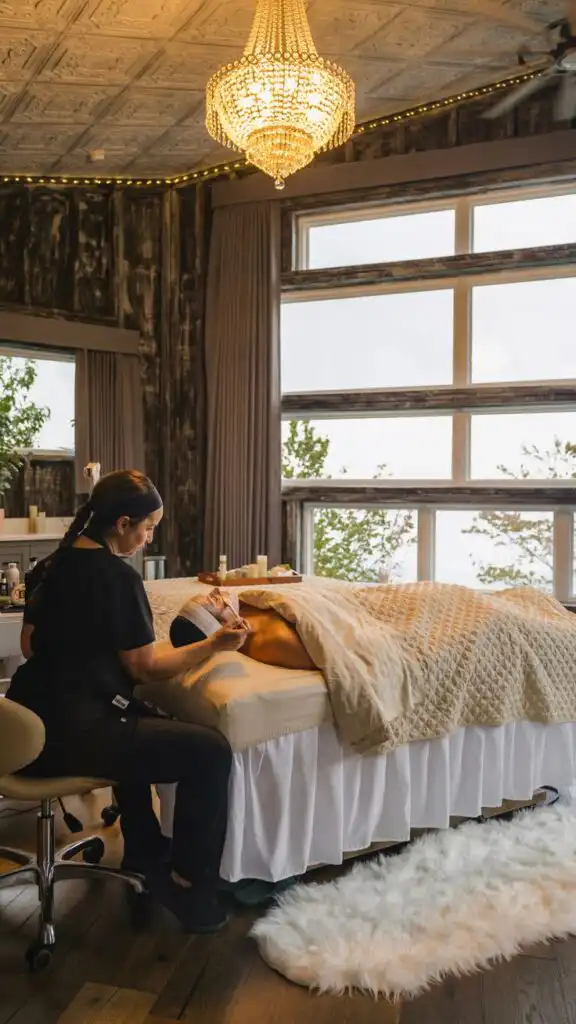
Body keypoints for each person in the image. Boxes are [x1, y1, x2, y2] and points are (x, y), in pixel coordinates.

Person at [7, 470, 248, 934]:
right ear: (122, 523)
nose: (148, 538)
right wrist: (216, 644)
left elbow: (30, 645)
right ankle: (190, 884)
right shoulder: (118, 578)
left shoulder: (51, 565)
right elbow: (145, 668)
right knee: (210, 752)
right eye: (148, 528)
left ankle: (144, 850)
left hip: (27, 728)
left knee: (135, 718)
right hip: (72, 737)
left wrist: (88, 653)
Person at [170, 588, 316, 671]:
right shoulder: (275, 640)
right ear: (224, 626)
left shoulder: (244, 608)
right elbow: (321, 653)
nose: (217, 590)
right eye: (214, 600)